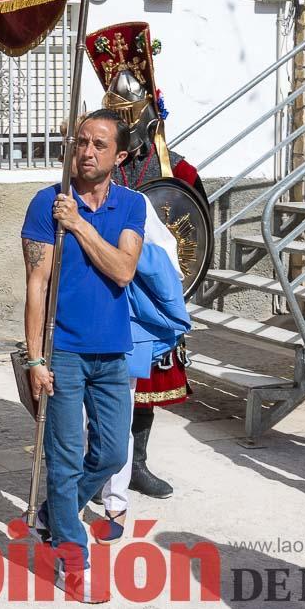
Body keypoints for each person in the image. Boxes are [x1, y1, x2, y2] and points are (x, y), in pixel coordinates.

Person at [21, 108, 145, 601]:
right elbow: (36, 284)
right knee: (65, 457)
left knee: (114, 451)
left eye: (98, 145)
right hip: (63, 351)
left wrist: (79, 226)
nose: (87, 152)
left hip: (112, 352)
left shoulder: (131, 205)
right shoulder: (45, 202)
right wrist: (35, 360)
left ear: (119, 155)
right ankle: (74, 562)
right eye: (80, 142)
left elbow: (123, 270)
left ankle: (59, 507)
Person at [89, 21, 206, 500]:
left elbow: (191, 241)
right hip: (105, 286)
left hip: (150, 295)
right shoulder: (95, 165)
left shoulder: (175, 172)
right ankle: (99, 466)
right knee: (98, 385)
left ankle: (136, 464)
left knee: (144, 385)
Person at [94, 193, 191, 544]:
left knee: (123, 414)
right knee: (73, 423)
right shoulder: (55, 198)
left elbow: (162, 257)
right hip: (74, 325)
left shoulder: (135, 199)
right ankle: (82, 488)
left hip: (127, 321)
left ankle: (120, 490)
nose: (86, 152)